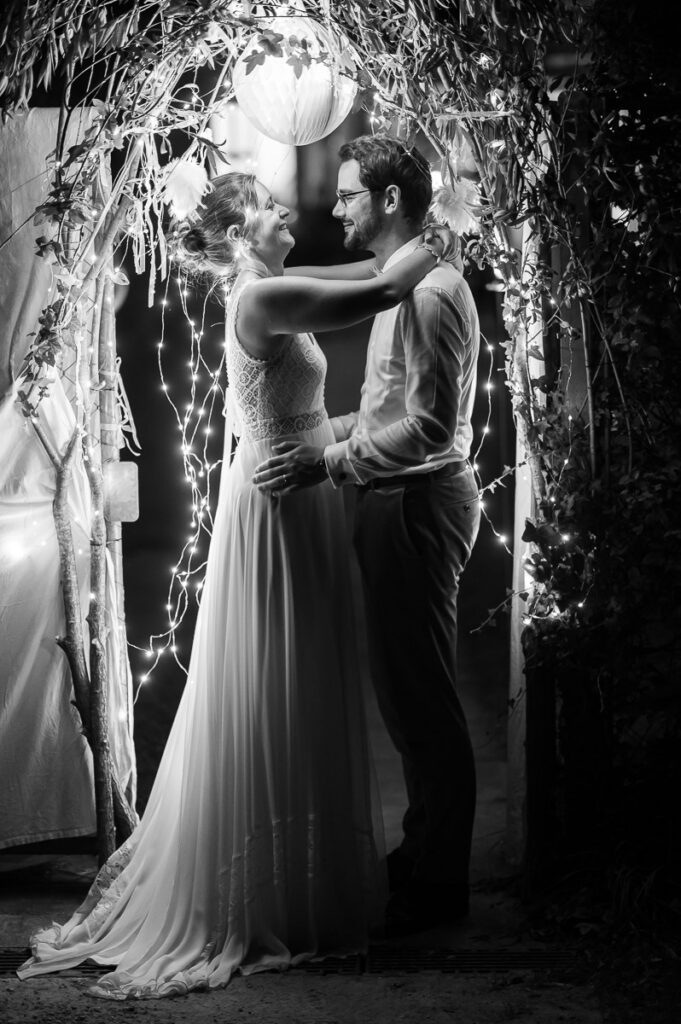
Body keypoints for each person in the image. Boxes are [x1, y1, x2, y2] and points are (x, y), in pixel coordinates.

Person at [17, 171, 452, 999]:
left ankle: (295, 880)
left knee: (301, 677)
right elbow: (382, 286)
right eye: (270, 207)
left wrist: (393, 253)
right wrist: (438, 236)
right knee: (278, 681)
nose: (288, 212)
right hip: (280, 503)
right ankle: (264, 893)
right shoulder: (257, 301)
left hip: (300, 488)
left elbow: (352, 277)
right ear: (237, 236)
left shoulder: (265, 284)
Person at [253, 136, 482, 935]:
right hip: (392, 497)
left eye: (350, 194)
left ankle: (437, 886)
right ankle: (420, 857)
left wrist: (330, 463)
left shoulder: (425, 292)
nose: (336, 206)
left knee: (421, 702)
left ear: (387, 201)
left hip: (415, 504)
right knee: (404, 695)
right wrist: (325, 439)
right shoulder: (403, 285)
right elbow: (389, 407)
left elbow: (426, 428)